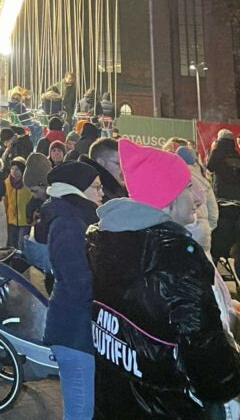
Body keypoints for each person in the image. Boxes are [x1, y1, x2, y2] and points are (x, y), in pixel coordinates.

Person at [87, 139, 240, 419]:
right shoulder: (176, 261)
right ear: (166, 198)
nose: (197, 197)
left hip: (116, 404)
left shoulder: (108, 244)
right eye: (187, 188)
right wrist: (230, 376)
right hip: (167, 408)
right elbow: (208, 361)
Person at [44, 161, 102, 420]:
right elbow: (80, 285)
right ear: (78, 189)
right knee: (79, 413)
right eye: (97, 187)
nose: (102, 193)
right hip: (73, 332)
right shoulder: (69, 224)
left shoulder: (78, 219)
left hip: (78, 329)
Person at [176, 144, 219, 254]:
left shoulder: (175, 178)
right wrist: (208, 228)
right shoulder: (203, 180)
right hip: (202, 232)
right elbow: (214, 212)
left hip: (182, 231)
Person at [207, 129, 240, 268]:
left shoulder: (217, 155)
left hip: (222, 205)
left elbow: (209, 167)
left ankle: (213, 278)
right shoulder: (237, 157)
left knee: (218, 244)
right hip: (238, 207)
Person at [85, 137, 126, 201]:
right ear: (101, 163)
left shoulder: (114, 189)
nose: (123, 169)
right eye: (118, 164)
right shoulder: (96, 194)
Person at [4, 157, 31, 249]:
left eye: (17, 169)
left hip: (25, 220)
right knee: (12, 245)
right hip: (11, 219)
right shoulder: (7, 183)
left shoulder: (28, 184)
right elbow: (5, 200)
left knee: (21, 245)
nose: (14, 171)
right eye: (12, 168)